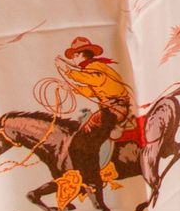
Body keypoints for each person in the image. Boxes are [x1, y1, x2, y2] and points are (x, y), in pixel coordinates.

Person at [55, 36, 143, 186]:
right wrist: (70, 87)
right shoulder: (94, 68)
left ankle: (93, 166)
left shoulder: (94, 68)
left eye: (75, 56)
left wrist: (67, 70)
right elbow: (90, 91)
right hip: (113, 108)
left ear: (79, 55)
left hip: (115, 109)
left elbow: (92, 80)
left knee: (86, 132)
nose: (74, 59)